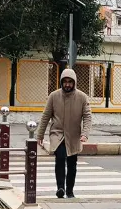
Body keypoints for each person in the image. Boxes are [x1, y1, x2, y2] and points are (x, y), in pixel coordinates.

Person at [36, 68, 92, 199]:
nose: (67, 84)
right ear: (61, 82)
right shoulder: (53, 96)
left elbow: (87, 117)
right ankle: (60, 187)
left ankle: (70, 191)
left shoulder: (82, 97)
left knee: (72, 164)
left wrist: (85, 133)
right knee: (60, 158)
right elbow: (46, 116)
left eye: (70, 82)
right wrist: (40, 134)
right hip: (57, 134)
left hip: (73, 135)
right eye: (65, 81)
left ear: (74, 82)